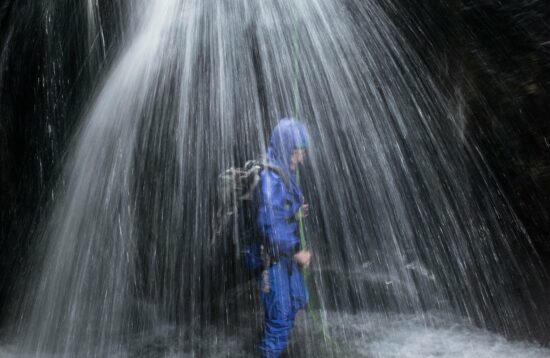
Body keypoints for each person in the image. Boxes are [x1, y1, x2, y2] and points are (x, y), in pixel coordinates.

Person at [256, 118, 312, 358]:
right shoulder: (270, 179)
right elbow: (268, 222)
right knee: (279, 318)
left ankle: (275, 344)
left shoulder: (284, 173)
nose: (300, 158)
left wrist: (295, 212)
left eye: (301, 153)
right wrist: (296, 251)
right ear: (284, 149)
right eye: (296, 153)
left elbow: (280, 212)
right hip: (273, 258)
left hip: (285, 256)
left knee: (299, 298)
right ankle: (269, 352)